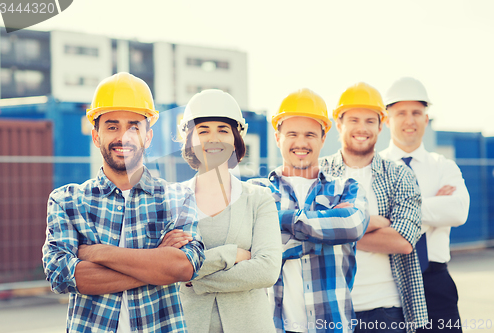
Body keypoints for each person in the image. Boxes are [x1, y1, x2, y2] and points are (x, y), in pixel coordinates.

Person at [42, 72, 205, 333]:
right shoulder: (66, 201)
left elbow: (184, 267)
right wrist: (155, 264)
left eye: (133, 127)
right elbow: (62, 275)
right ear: (96, 136)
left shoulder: (178, 198)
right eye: (112, 126)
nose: (123, 137)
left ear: (148, 137)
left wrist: (97, 253)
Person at [249, 88, 369, 333]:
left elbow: (353, 225)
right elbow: (250, 251)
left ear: (323, 139)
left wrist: (276, 222)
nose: (301, 143)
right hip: (272, 327)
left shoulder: (346, 187)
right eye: (292, 133)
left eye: (310, 135)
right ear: (277, 137)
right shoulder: (255, 191)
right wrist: (326, 234)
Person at [321, 82, 428, 333]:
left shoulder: (400, 175)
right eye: (354, 120)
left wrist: (335, 228)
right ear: (339, 124)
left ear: (381, 126)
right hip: (327, 307)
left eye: (370, 121)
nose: (362, 128)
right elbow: (306, 230)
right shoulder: (319, 173)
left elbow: (403, 241)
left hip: (384, 309)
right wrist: (375, 222)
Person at [177, 89, 282, 333]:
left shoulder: (259, 199)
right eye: (203, 131)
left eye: (223, 130)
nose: (214, 139)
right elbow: (165, 269)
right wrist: (230, 254)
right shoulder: (171, 201)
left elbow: (266, 270)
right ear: (190, 140)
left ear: (236, 139)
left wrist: (193, 279)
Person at [381, 77, 469, 332]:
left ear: (426, 119)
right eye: (401, 113)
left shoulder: (443, 166)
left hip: (436, 284)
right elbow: (366, 218)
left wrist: (393, 215)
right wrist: (433, 206)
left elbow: (458, 210)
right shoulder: (374, 168)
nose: (410, 120)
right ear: (387, 120)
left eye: (417, 113)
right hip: (387, 282)